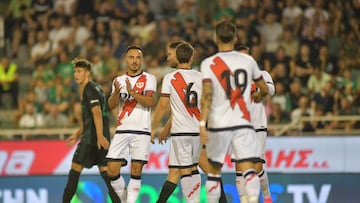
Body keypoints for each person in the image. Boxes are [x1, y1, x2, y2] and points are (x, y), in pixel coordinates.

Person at [199, 20, 268, 203]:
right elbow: (264, 89)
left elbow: (206, 96)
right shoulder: (248, 61)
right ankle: (253, 199)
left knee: (214, 170)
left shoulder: (208, 63)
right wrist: (260, 96)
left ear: (215, 38)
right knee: (248, 167)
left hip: (219, 123)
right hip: (242, 122)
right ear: (235, 38)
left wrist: (202, 124)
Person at [62, 58, 120, 203]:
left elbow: (97, 113)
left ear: (87, 73)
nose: (76, 74)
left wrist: (99, 136)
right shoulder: (97, 88)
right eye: (75, 71)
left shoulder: (89, 89)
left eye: (79, 71)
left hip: (91, 138)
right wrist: (77, 133)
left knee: (74, 171)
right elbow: (91, 118)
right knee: (106, 175)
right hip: (100, 135)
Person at [151, 41, 202, 203]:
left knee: (186, 170)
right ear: (191, 58)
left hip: (181, 132)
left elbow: (163, 105)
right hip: (198, 130)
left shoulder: (170, 78)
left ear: (177, 57)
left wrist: (152, 127)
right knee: (192, 168)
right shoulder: (200, 77)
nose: (168, 58)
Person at [106, 45, 157, 203]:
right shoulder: (118, 80)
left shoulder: (149, 78)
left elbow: (150, 102)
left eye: (138, 58)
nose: (134, 61)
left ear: (142, 60)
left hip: (141, 130)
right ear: (125, 59)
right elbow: (112, 105)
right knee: (112, 170)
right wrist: (115, 93)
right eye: (131, 57)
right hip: (122, 130)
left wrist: (133, 92)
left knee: (136, 169)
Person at [235, 46, 275, 203]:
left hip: (257, 126)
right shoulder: (232, 78)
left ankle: (266, 194)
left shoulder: (262, 75)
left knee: (257, 167)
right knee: (239, 168)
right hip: (238, 126)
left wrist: (260, 91)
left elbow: (271, 90)